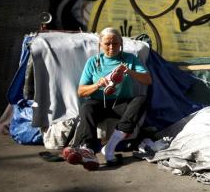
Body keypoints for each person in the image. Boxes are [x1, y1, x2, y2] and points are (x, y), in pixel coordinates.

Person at [62, 27, 152, 170]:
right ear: (100, 45)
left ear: (121, 44)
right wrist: (97, 85)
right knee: (87, 107)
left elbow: (147, 80)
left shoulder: (129, 59)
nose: (111, 47)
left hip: (121, 103)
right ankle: (89, 150)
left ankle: (110, 147)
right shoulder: (93, 62)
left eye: (115, 43)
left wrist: (129, 71)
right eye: (107, 44)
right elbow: (81, 91)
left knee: (141, 100)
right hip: (99, 103)